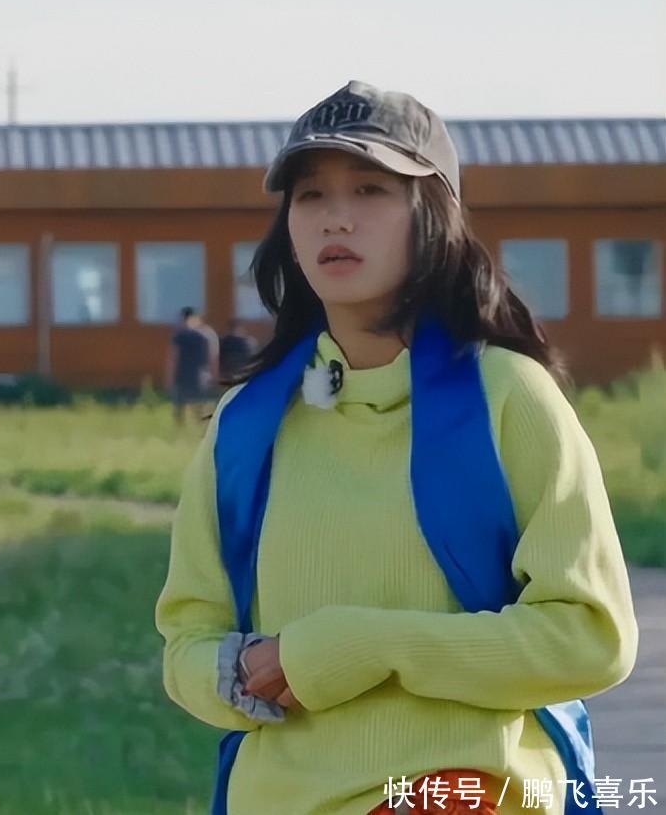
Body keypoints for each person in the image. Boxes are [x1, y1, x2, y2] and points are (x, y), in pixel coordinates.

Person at [155, 80, 638, 814]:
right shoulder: (245, 424)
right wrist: (234, 672)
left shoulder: (507, 397)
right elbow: (187, 639)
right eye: (310, 195)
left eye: (371, 189)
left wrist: (360, 648)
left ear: (433, 215)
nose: (336, 217)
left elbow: (591, 636)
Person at [167, 306, 218, 425]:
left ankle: (180, 428)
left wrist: (169, 378)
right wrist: (215, 376)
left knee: (179, 406)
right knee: (200, 404)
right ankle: (200, 427)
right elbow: (213, 357)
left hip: (182, 374)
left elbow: (173, 358)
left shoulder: (179, 335)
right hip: (202, 374)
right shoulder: (207, 333)